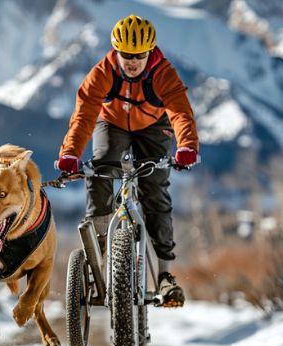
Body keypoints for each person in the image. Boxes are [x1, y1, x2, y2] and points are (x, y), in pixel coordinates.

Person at [56, 14, 199, 307]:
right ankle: (98, 257)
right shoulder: (103, 72)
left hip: (153, 127)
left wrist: (186, 146)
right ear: (116, 51)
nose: (132, 62)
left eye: (139, 56)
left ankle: (165, 276)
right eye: (126, 55)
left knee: (155, 190)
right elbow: (84, 116)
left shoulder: (163, 74)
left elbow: (180, 112)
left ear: (150, 53)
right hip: (112, 124)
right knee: (99, 173)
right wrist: (70, 153)